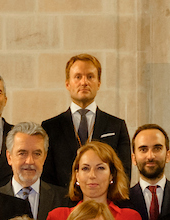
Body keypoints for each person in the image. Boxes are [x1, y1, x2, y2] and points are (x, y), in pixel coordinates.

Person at [43, 141, 147, 220]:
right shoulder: (57, 218)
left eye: (100, 168)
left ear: (112, 175)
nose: (92, 175)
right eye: (85, 168)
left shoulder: (130, 219)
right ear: (77, 176)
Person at [41, 54, 132, 187]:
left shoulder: (116, 126)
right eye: (78, 77)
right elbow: (46, 175)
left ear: (99, 83)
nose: (84, 82)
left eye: (90, 76)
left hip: (104, 203)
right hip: (63, 203)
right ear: (67, 83)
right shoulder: (50, 127)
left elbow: (124, 173)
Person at [0, 122, 66, 220]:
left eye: (37, 154)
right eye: (22, 153)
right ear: (9, 157)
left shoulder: (63, 200)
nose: (29, 161)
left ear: (44, 157)